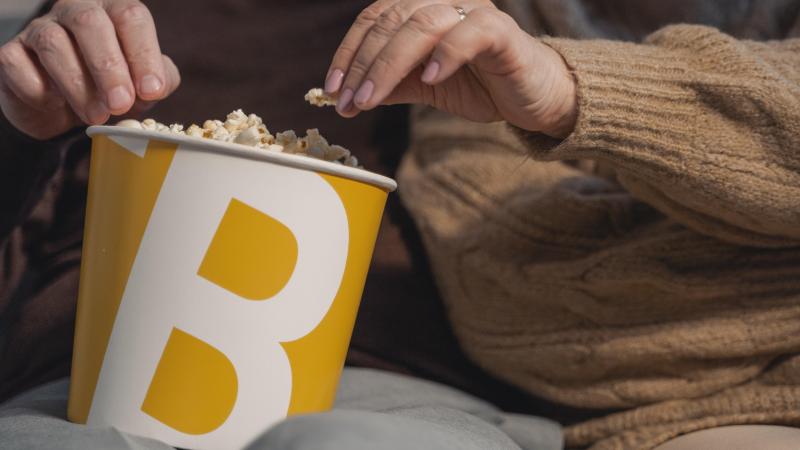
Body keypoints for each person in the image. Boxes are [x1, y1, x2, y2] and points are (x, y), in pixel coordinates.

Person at [0, 0, 799, 449]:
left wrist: (571, 89)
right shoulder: (81, 27)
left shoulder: (463, 32)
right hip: (74, 367)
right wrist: (14, 125)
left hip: (397, 377)